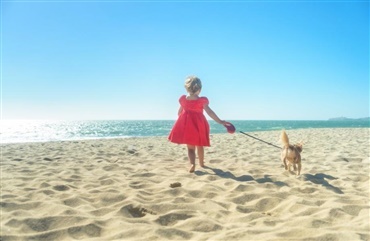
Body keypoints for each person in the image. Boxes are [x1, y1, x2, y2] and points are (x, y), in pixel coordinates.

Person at [168, 76, 227, 173]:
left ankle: (192, 164)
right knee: (200, 145)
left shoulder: (183, 99)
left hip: (188, 126)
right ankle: (201, 163)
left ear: (186, 88)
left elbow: (179, 113)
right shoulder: (202, 101)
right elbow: (209, 112)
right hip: (199, 125)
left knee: (190, 148)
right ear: (199, 89)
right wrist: (220, 121)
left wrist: (183, 121)